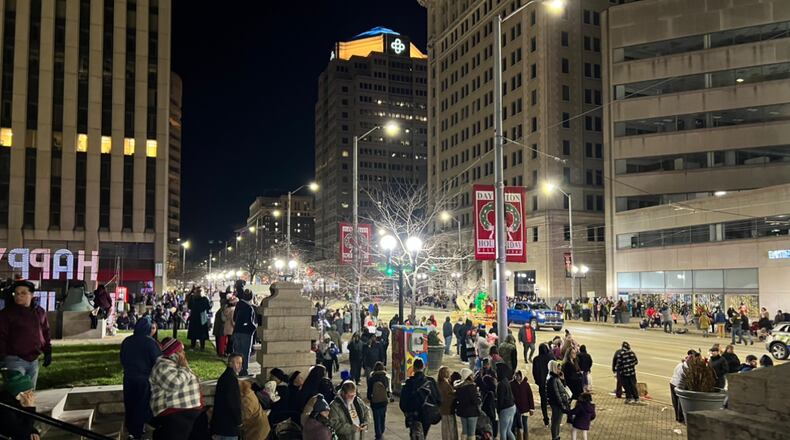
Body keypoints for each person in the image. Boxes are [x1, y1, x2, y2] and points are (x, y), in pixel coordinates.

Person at [148, 338, 205, 439]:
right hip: (175, 414)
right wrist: (184, 368)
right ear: (175, 352)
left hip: (189, 414)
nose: (184, 353)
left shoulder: (176, 365)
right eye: (181, 350)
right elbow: (174, 384)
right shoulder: (162, 365)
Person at [0, 280, 52, 389]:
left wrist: (48, 352)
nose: (19, 296)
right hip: (13, 360)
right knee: (16, 394)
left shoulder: (40, 312)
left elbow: (45, 332)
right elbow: (1, 336)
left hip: (33, 360)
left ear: (32, 295)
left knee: (29, 396)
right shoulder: (7, 314)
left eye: (23, 293)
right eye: (16, 293)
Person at [120, 316, 162, 440]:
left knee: (130, 403)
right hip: (144, 379)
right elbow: (158, 360)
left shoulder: (127, 341)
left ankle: (131, 428)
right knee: (141, 404)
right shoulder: (150, 343)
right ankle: (137, 432)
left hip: (128, 377)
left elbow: (122, 358)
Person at [399, 358, 440, 439]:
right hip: (427, 414)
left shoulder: (409, 383)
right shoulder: (431, 381)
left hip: (414, 415)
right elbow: (439, 399)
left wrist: (407, 412)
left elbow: (403, 403)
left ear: (413, 368)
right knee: (423, 434)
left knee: (415, 435)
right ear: (423, 367)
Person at [0, 369, 40, 440]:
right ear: (18, 395)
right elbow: (20, 434)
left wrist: (33, 431)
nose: (32, 396)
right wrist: (30, 409)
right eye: (28, 392)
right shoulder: (5, 408)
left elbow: (23, 423)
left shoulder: (15, 402)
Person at [212, 354, 243, 439]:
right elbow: (234, 402)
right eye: (237, 363)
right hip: (229, 427)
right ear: (230, 363)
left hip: (220, 425)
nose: (240, 366)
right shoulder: (231, 379)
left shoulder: (225, 376)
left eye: (241, 363)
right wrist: (239, 421)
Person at [232, 288, 257, 376]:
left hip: (237, 331)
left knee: (237, 352)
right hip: (245, 333)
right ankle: (243, 371)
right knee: (245, 353)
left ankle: (235, 370)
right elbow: (250, 322)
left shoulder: (239, 305)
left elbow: (234, 318)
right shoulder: (249, 308)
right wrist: (254, 327)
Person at [669, 350, 698, 423]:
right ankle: (680, 418)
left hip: (672, 383)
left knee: (675, 402)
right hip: (677, 385)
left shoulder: (680, 364)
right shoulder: (685, 368)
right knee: (680, 402)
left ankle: (677, 417)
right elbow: (685, 380)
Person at [453, 368, 481, 440]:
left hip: (462, 411)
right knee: (471, 433)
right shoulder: (471, 387)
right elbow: (475, 401)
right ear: (469, 376)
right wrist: (478, 397)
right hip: (472, 412)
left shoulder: (459, 387)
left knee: (464, 432)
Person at [546, 360, 570, 440]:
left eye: (560, 369)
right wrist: (561, 405)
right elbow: (556, 394)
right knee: (555, 422)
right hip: (557, 404)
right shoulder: (553, 379)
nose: (560, 370)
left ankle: (557, 436)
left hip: (559, 403)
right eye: (558, 369)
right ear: (553, 368)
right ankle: (555, 437)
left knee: (558, 421)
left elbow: (563, 388)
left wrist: (562, 379)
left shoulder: (556, 377)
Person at [532, 343, 554, 427]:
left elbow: (534, 372)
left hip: (542, 384)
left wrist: (537, 381)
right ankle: (553, 418)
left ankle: (546, 419)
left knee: (543, 401)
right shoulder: (551, 357)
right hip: (551, 383)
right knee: (552, 400)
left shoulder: (536, 359)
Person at [366, 362, 390, 440]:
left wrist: (370, 398)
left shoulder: (372, 379)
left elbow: (369, 391)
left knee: (376, 419)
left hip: (375, 402)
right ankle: (382, 431)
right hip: (384, 401)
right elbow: (388, 389)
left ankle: (378, 434)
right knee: (382, 417)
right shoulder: (385, 378)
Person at [510, 370, 534, 440]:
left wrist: (531, 408)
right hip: (516, 409)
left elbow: (530, 396)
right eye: (516, 375)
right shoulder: (511, 384)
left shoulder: (526, 384)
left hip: (525, 408)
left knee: (525, 424)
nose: (517, 377)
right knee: (517, 425)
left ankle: (526, 438)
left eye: (518, 375)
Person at [495, 362, 516, 440]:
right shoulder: (506, 380)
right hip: (512, 407)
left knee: (503, 432)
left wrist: (498, 410)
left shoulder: (501, 384)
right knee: (508, 431)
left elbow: (500, 400)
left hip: (505, 409)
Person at [437, 366, 458, 440]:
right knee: (450, 428)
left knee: (445, 427)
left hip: (443, 409)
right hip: (448, 408)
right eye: (448, 371)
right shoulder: (445, 384)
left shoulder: (440, 383)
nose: (450, 373)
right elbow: (449, 395)